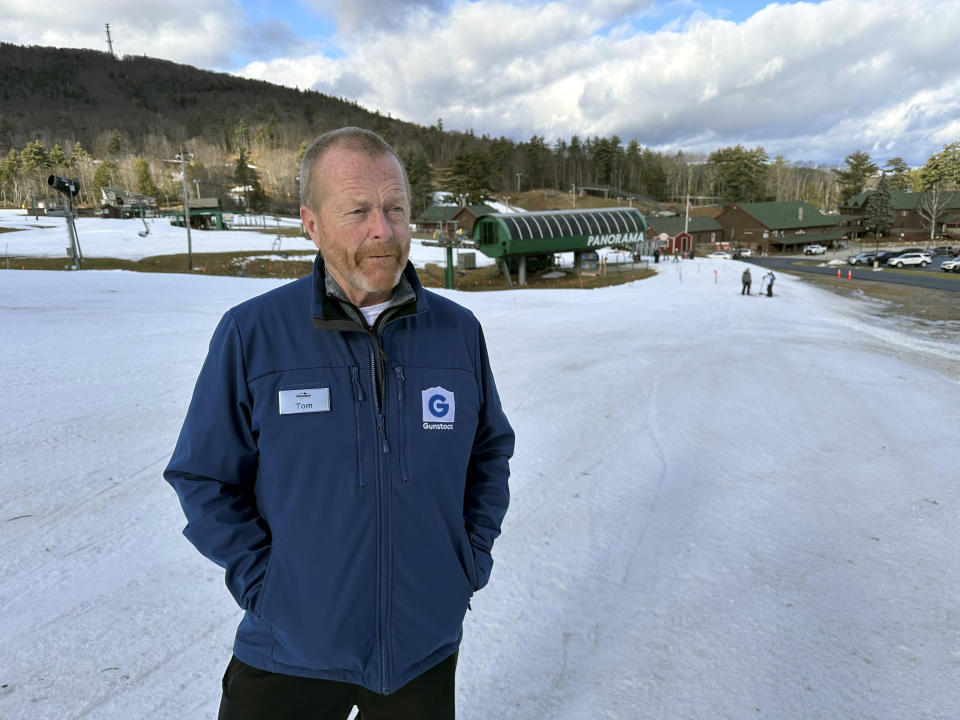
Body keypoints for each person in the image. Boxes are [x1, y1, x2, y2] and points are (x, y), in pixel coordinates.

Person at [164, 127, 515, 720]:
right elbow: (204, 478)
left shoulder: (457, 333)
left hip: (420, 653)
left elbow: (488, 454)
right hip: (289, 654)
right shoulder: (254, 334)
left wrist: (465, 563)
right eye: (357, 210)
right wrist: (270, 590)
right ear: (311, 223)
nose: (382, 229)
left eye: (395, 208)